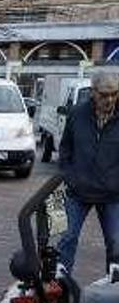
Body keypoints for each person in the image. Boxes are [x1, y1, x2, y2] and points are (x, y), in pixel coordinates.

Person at [57, 69, 119, 274]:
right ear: (93, 92)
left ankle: (113, 290)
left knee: (116, 242)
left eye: (114, 93)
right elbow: (65, 148)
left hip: (112, 194)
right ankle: (60, 287)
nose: (109, 99)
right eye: (104, 94)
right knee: (67, 237)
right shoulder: (77, 114)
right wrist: (69, 176)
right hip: (78, 191)